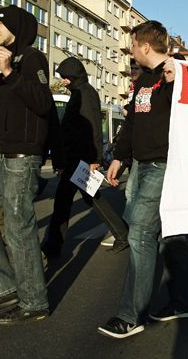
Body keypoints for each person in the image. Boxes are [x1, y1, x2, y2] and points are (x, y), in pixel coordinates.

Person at [99, 20, 188, 338]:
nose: (130, 51)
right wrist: (120, 159)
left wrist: (177, 78)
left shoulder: (175, 75)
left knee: (140, 233)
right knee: (169, 235)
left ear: (145, 45)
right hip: (141, 165)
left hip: (164, 166)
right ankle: (184, 301)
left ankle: (130, 315)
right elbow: (133, 124)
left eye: (132, 44)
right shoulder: (143, 81)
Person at [0, 6, 56, 325]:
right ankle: (4, 288)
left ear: (14, 25)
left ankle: (34, 300)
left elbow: (43, 103)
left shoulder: (31, 59)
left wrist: (9, 73)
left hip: (21, 156)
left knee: (18, 227)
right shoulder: (0, 63)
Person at [43, 56, 129, 259]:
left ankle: (52, 246)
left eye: (64, 77)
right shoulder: (79, 92)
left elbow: (93, 128)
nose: (62, 81)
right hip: (76, 157)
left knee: (65, 203)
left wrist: (95, 158)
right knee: (90, 199)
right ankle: (122, 234)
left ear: (72, 76)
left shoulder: (85, 94)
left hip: (79, 158)